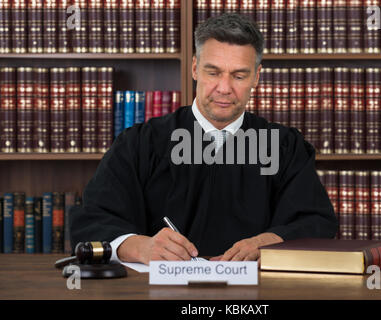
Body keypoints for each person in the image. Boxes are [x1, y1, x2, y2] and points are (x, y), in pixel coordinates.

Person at [70, 13, 338, 264]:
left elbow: (316, 221)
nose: (224, 88)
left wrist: (268, 242)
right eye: (213, 72)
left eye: (239, 75)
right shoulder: (141, 143)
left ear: (256, 77)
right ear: (195, 68)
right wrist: (139, 247)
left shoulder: (284, 147)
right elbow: (92, 221)